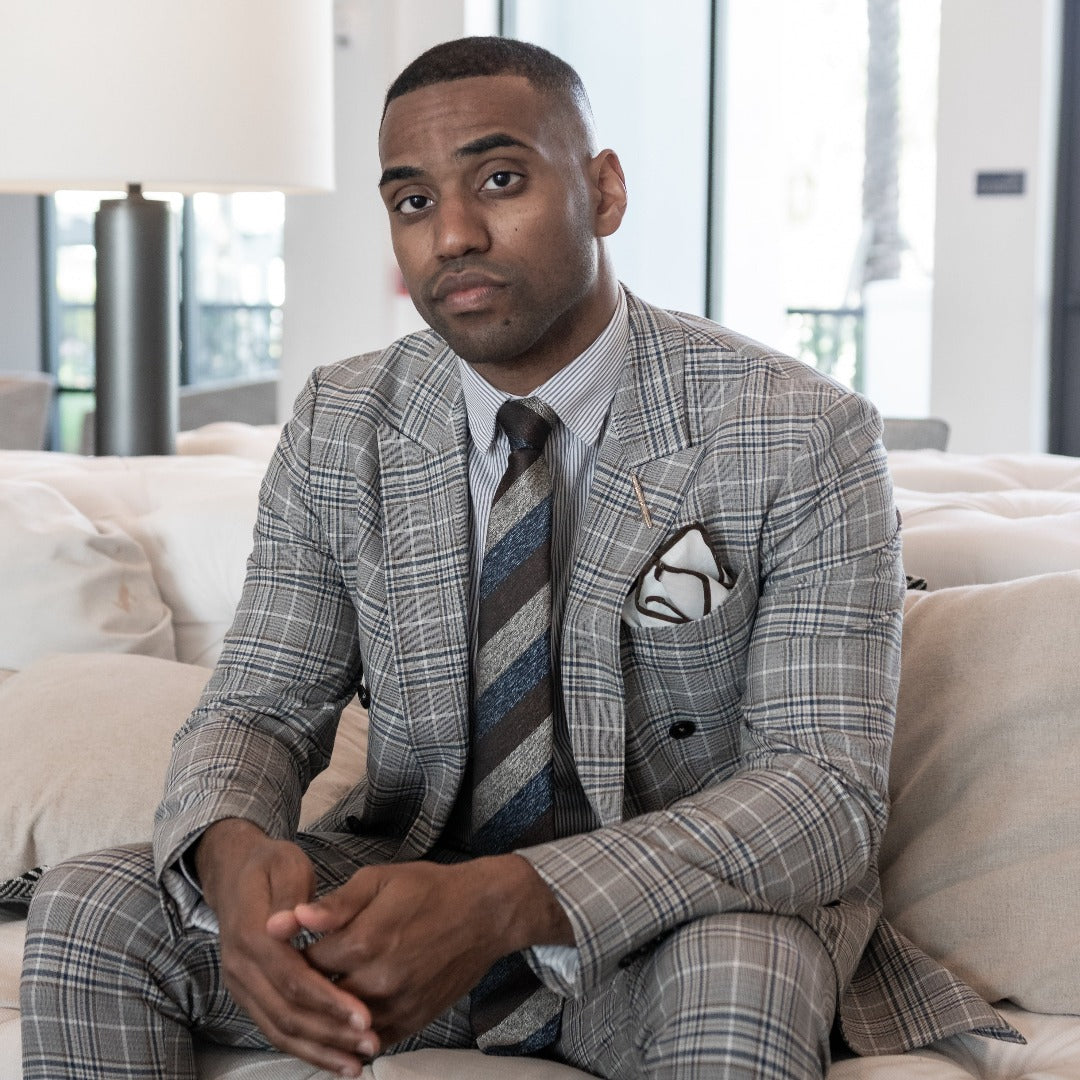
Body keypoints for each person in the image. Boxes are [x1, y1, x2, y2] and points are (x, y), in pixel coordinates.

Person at [22, 36, 1016, 1080]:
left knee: (747, 970)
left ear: (604, 190)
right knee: (93, 906)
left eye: (500, 180)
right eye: (412, 201)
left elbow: (824, 793)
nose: (452, 234)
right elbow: (262, 705)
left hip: (662, 927)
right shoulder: (341, 421)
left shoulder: (799, 432)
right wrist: (228, 851)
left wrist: (509, 900)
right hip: (395, 904)